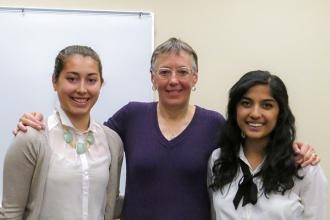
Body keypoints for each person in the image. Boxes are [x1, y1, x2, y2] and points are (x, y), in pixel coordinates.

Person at [13, 39, 319, 220]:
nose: (174, 80)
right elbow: (82, 138)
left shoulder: (214, 124)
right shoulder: (131, 116)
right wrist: (34, 121)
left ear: (195, 78)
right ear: (152, 78)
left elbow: (257, 137)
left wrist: (297, 149)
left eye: (183, 72)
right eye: (164, 72)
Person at [0, 45, 123, 220]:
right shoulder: (31, 138)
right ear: (54, 81)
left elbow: (110, 203)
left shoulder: (112, 142)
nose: (82, 89)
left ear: (101, 84)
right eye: (72, 79)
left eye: (91, 80)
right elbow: (10, 213)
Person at [208, 70, 327, 220]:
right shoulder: (219, 159)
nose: (255, 113)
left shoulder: (304, 167)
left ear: (280, 112)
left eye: (267, 105)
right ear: (235, 109)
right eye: (246, 103)